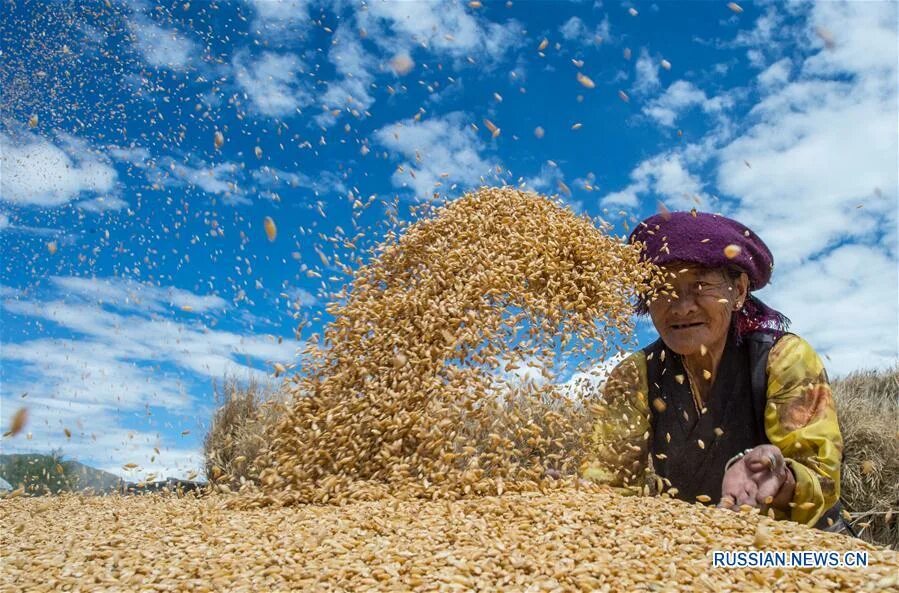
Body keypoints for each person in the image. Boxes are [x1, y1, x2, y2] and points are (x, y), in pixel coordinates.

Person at [582, 210, 847, 531]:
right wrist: (575, 495)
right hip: (695, 548)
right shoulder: (636, 375)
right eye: (661, 288)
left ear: (738, 291)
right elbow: (609, 479)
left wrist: (778, 475)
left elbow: (821, 477)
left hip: (799, 550)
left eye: (700, 285)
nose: (680, 306)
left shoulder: (782, 358)